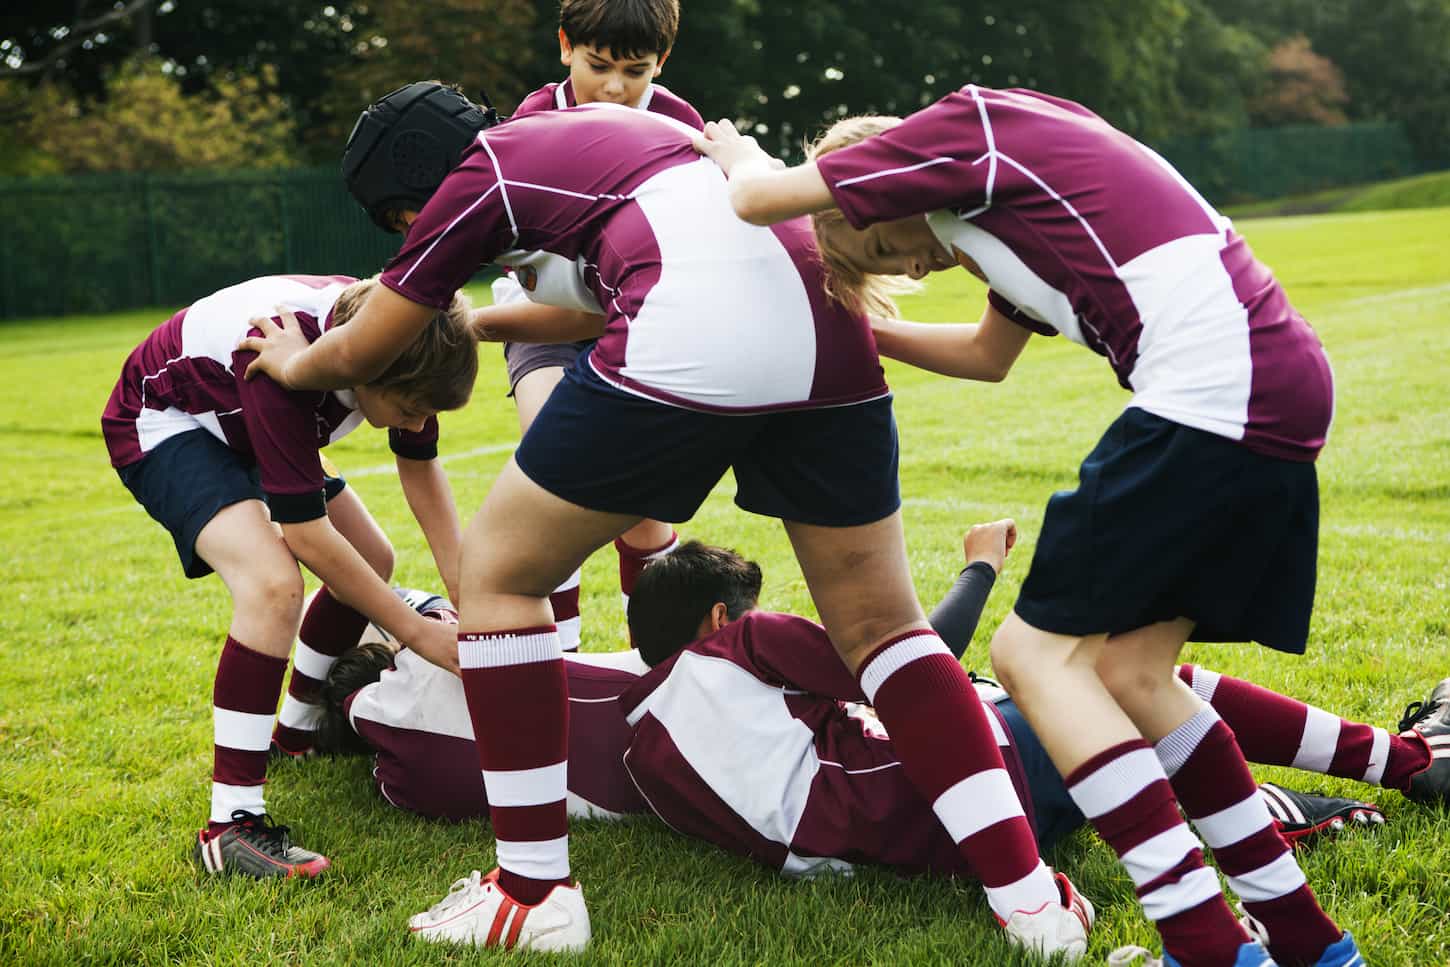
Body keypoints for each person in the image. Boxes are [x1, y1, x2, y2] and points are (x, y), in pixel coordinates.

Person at [239, 87, 1075, 954]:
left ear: (411, 192)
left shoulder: (483, 171)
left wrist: (301, 365)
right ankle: (1028, 901)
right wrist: (487, 323)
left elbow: (368, 344)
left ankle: (533, 894)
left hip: (693, 322)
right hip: (827, 320)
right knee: (885, 628)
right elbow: (609, 292)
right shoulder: (633, 134)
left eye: (403, 216)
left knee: (498, 575)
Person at [691, 85, 1355, 967]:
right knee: (1129, 671)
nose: (910, 267)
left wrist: (734, 147)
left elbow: (752, 198)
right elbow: (985, 358)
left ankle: (1204, 946)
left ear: (885, 182)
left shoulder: (962, 133)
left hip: (1212, 389)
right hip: (1275, 381)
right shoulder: (1002, 213)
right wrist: (862, 329)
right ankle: (1308, 941)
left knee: (1032, 657)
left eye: (886, 242)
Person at [315, 532, 1448, 958]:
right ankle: (1399, 763)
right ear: (717, 620)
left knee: (1092, 722)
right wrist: (979, 566)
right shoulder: (736, 646)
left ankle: (1285, 793)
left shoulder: (615, 733)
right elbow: (904, 660)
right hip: (952, 805)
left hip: (889, 846)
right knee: (1128, 681)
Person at [101, 273, 472, 878]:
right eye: (410, 406)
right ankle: (231, 826)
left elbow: (421, 469)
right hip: (169, 420)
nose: (419, 418)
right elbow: (307, 538)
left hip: (239, 417)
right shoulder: (274, 352)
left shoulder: (401, 333)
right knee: (273, 585)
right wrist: (421, 633)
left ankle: (294, 735)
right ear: (364, 368)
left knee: (372, 559)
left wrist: (466, 596)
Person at [501, 0, 704, 651]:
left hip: (643, 322)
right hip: (547, 317)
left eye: (635, 70)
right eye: (598, 66)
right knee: (555, 465)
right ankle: (559, 661)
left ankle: (662, 663)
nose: (614, 87)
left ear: (661, 61)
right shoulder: (533, 122)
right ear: (565, 46)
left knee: (644, 512)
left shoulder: (680, 124)